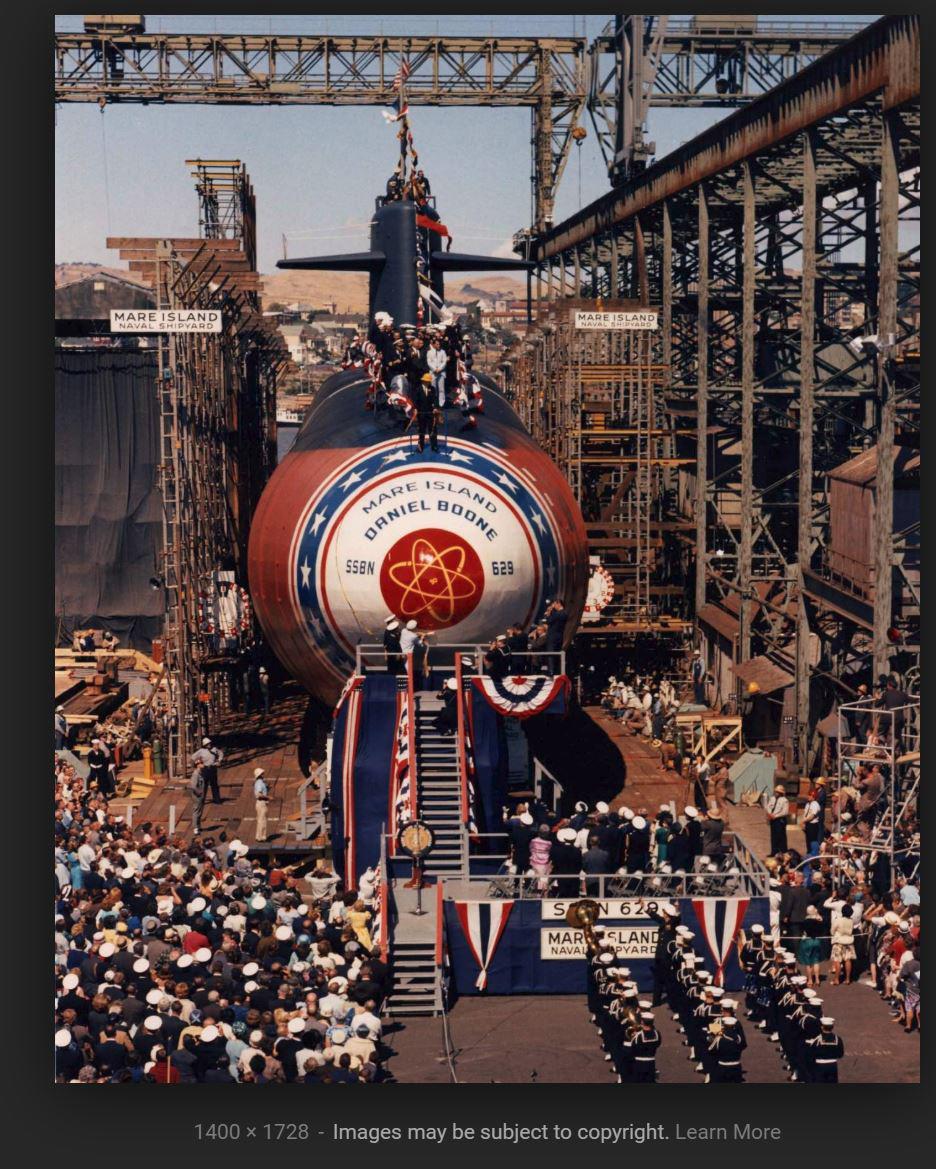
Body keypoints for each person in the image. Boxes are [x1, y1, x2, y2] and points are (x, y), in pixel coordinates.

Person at [410, 373, 440, 452]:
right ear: (423, 381)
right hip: (421, 414)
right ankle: (420, 446)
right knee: (421, 431)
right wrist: (415, 409)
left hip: (431, 413)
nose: (428, 383)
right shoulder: (418, 390)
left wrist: (435, 407)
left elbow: (435, 399)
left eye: (429, 381)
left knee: (433, 430)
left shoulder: (432, 389)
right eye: (427, 381)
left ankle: (434, 446)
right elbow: (415, 401)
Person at [190, 737, 224, 805]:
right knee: (204, 785)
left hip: (213, 768)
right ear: (205, 745)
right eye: (207, 744)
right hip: (205, 769)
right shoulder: (201, 751)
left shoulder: (214, 749)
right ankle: (202, 800)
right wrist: (198, 764)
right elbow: (193, 757)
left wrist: (219, 761)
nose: (209, 745)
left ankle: (216, 799)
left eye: (209, 743)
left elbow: (221, 754)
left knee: (214, 784)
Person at [764, 784, 789, 855]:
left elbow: (785, 812)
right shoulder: (772, 798)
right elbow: (768, 806)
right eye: (776, 792)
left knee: (780, 837)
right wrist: (769, 814)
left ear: (781, 793)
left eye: (777, 792)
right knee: (773, 836)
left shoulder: (785, 801)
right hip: (773, 819)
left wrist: (775, 816)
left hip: (780, 820)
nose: (776, 793)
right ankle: (773, 852)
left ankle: (782, 852)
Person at [544, 599, 567, 674]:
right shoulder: (564, 613)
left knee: (550, 654)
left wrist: (548, 613)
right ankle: (556, 670)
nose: (554, 607)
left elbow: (548, 621)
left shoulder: (559, 613)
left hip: (552, 636)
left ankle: (551, 670)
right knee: (556, 654)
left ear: (559, 604)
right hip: (559, 636)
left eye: (554, 605)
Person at [426, 334, 448, 407]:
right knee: (433, 388)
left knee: (441, 388)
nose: (439, 345)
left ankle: (441, 403)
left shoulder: (443, 352)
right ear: (434, 345)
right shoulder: (429, 352)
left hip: (441, 373)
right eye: (437, 344)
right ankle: (434, 403)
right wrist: (435, 369)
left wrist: (440, 369)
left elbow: (444, 361)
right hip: (433, 372)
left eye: (439, 344)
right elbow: (429, 362)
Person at [254, 768, 271, 843]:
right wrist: (268, 797)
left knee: (260, 820)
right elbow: (258, 795)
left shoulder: (260, 782)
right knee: (262, 821)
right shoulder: (259, 783)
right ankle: (261, 837)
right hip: (262, 803)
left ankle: (259, 836)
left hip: (260, 803)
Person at [190, 766, 207, 836]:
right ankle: (195, 828)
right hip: (197, 796)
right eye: (201, 763)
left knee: (200, 811)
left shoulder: (201, 773)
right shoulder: (196, 774)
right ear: (197, 765)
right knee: (196, 811)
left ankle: (198, 825)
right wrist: (198, 792)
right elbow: (193, 786)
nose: (203, 764)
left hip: (201, 795)